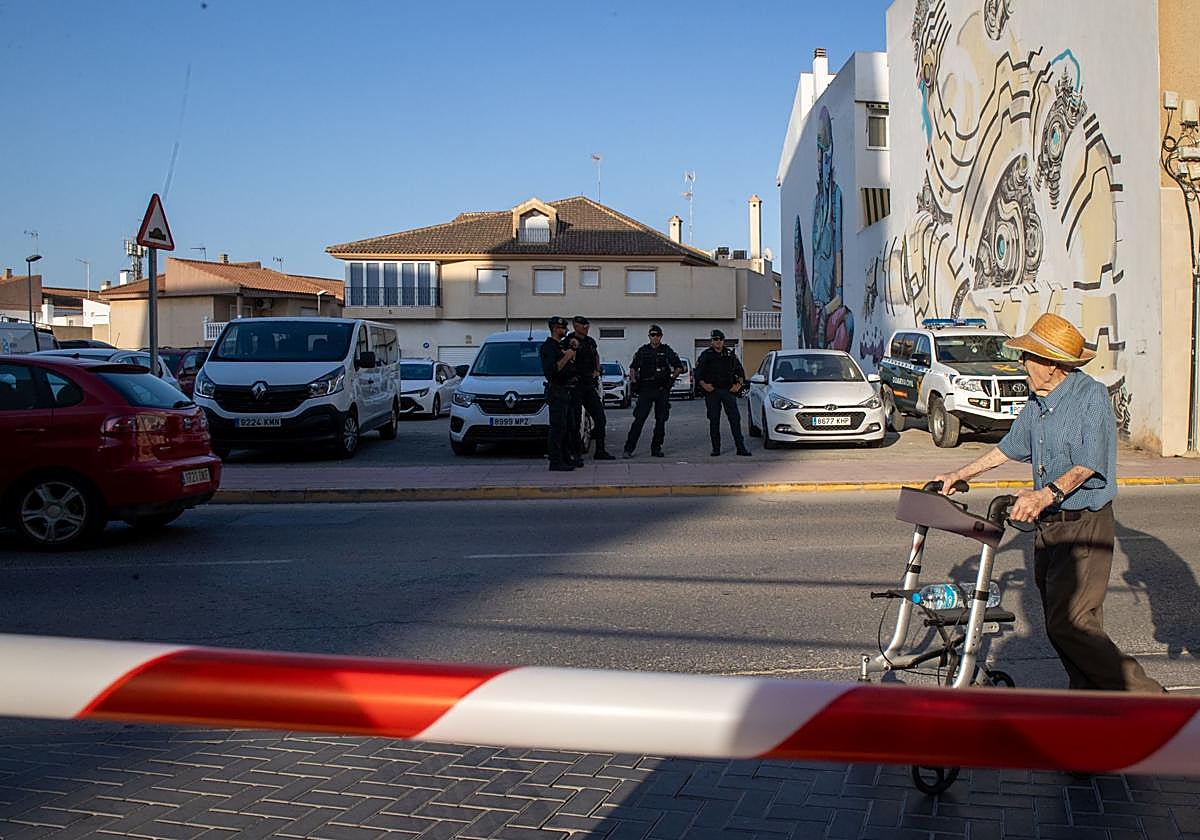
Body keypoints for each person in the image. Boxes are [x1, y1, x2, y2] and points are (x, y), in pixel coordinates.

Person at [933, 312, 1163, 693]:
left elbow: (1089, 463)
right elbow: (1008, 447)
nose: (1022, 362)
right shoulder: (1037, 401)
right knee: (1070, 626)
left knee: (1071, 624)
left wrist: (1045, 495)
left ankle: (1150, 698)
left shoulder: (1090, 397)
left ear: (1052, 364)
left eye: (1028, 356)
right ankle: (1091, 701)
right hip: (1049, 527)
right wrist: (960, 474)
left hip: (1084, 525)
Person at [623, 325, 683, 458]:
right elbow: (633, 367)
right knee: (639, 419)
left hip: (661, 389)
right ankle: (628, 449)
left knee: (661, 420)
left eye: (657, 335)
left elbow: (679, 367)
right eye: (652, 335)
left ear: (661, 336)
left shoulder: (666, 350)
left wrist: (671, 379)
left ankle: (656, 448)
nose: (655, 337)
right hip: (646, 389)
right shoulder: (643, 351)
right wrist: (633, 381)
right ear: (649, 336)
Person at [695, 329, 752, 456]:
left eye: (720, 339)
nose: (718, 342)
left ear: (723, 341)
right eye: (715, 339)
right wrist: (704, 385)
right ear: (711, 341)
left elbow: (740, 371)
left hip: (728, 391)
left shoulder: (729, 354)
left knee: (735, 419)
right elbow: (698, 374)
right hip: (713, 392)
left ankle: (741, 448)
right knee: (714, 420)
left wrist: (738, 385)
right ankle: (716, 449)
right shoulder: (706, 355)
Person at [540, 316, 582, 472]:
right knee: (557, 427)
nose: (564, 330)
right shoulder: (549, 347)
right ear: (554, 329)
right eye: (562, 328)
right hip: (557, 389)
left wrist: (573, 349)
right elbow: (553, 370)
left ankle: (566, 457)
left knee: (568, 426)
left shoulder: (559, 346)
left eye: (565, 328)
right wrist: (567, 356)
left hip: (567, 389)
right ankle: (556, 460)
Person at [569, 315, 615, 460]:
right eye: (583, 326)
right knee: (575, 421)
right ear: (576, 326)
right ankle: (575, 453)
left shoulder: (590, 341)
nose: (586, 328)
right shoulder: (569, 341)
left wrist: (597, 370)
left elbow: (596, 356)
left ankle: (600, 451)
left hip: (588, 385)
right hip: (575, 386)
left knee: (600, 418)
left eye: (587, 325)